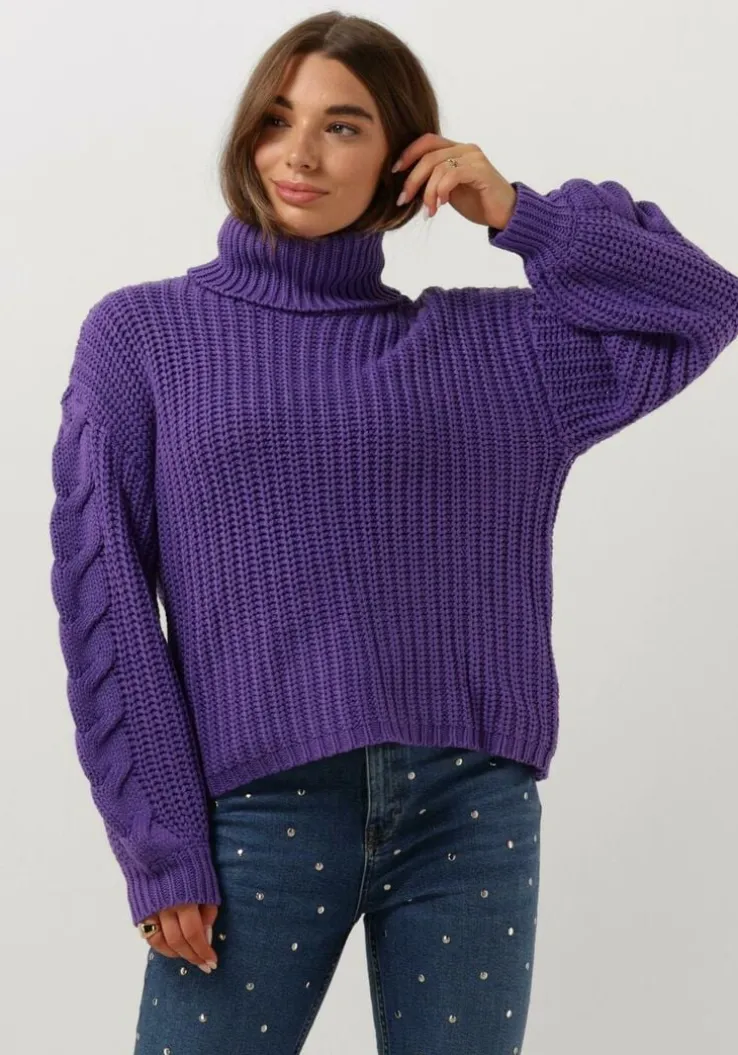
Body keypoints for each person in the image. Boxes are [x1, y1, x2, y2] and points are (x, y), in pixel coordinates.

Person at [48, 10, 738, 1055]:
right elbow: (104, 602)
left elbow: (702, 304)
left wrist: (520, 214)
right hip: (256, 812)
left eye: (344, 126)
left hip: (469, 809)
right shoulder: (143, 337)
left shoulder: (488, 351)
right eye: (277, 119)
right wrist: (161, 845)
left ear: (405, 157)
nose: (298, 153)